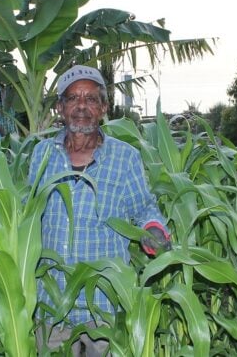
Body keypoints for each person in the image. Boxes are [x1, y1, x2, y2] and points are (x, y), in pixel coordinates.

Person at [31, 65, 171, 356]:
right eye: (72, 98)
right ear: (60, 107)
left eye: (91, 99)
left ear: (104, 107)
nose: (81, 106)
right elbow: (29, 216)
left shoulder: (125, 157)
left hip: (105, 308)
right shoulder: (41, 155)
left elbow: (144, 208)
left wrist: (154, 230)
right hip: (52, 305)